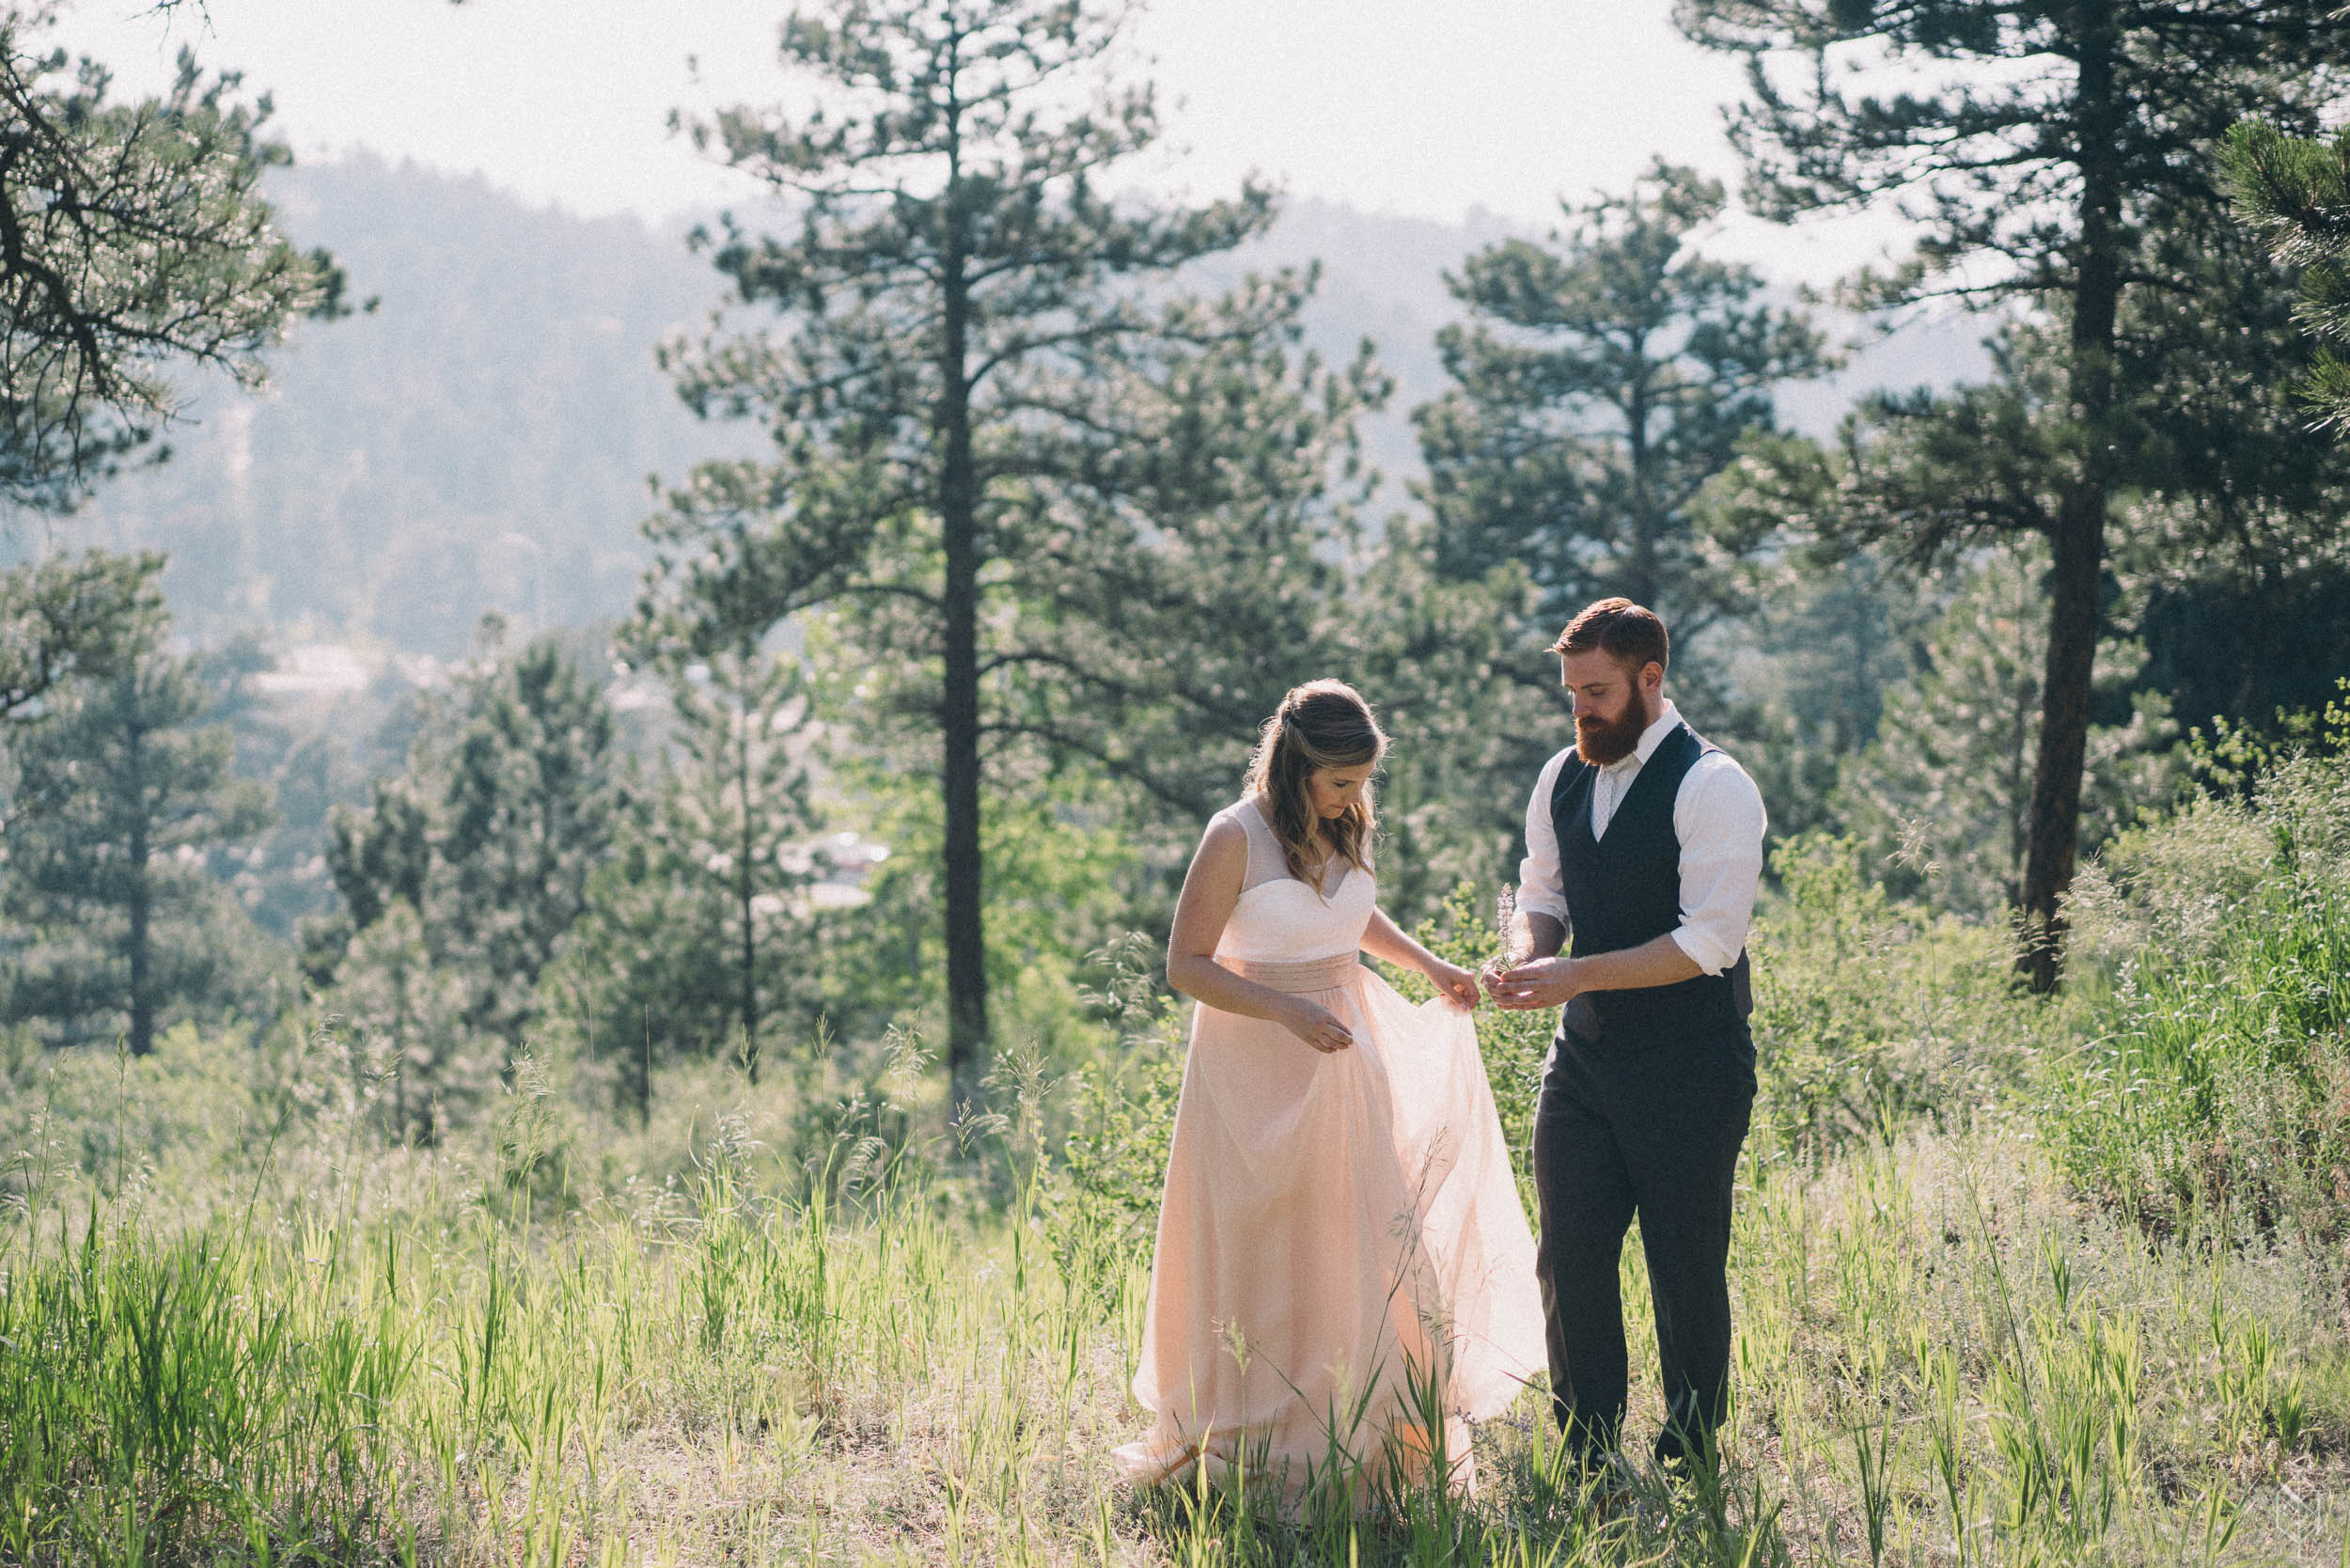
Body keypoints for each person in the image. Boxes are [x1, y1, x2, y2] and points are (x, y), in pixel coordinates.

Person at [1117, 680, 1545, 1513]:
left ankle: (1367, 1423)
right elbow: (1186, 966)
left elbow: (1350, 916)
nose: (1355, 796)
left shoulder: (1342, 823)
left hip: (1346, 1046)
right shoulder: (1233, 836)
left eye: (1361, 782)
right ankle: (1254, 1423)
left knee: (1358, 1237)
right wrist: (1287, 1011)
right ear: (1297, 766)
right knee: (1264, 1240)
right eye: (1341, 781)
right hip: (1255, 1059)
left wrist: (1429, 966)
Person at [1486, 598, 1767, 1479]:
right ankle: (1588, 1450)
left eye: (1598, 691)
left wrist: (1572, 976)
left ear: (1652, 679)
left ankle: (1690, 1453)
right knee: (1568, 1256)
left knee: (1684, 1266)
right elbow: (1547, 896)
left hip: (1691, 1065)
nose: (1582, 711)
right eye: (1572, 693)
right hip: (1583, 1065)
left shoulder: (1714, 785)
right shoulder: (1559, 775)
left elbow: (1707, 942)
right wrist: (1527, 956)